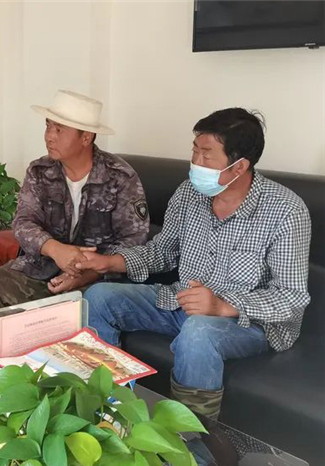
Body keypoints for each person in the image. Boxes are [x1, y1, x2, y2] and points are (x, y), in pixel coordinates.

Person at [78, 108, 311, 420]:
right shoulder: (189, 193)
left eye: (206, 155)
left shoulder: (286, 211)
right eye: (194, 151)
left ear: (239, 166)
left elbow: (291, 298)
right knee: (98, 297)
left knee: (199, 331)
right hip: (182, 302)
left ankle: (190, 441)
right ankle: (110, 413)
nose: (195, 163)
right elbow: (162, 252)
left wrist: (223, 306)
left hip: (250, 323)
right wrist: (109, 262)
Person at [0, 90, 149, 311]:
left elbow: (134, 240)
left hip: (99, 279)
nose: (49, 136)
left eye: (59, 130)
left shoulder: (121, 177)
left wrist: (88, 272)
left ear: (86, 137)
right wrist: (55, 250)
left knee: (86, 306)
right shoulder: (39, 171)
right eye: (48, 126)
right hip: (44, 269)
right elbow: (23, 222)